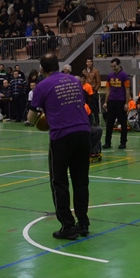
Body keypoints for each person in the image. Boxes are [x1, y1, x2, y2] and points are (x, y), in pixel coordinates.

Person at [28, 53, 91, 240]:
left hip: (62, 136)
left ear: (41, 68)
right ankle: (83, 223)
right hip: (84, 132)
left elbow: (31, 119)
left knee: (59, 182)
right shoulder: (74, 80)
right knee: (81, 181)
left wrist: (42, 120)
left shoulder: (42, 86)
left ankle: (68, 227)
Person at [103, 58, 132, 150]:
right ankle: (107, 142)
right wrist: (105, 102)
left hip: (121, 101)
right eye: (112, 66)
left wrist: (126, 103)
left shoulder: (124, 76)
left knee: (123, 122)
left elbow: (127, 89)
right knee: (109, 123)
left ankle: (123, 142)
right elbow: (108, 89)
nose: (113, 68)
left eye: (115, 66)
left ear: (119, 65)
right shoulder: (110, 75)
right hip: (112, 101)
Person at [81, 58, 101, 126]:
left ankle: (97, 121)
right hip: (85, 91)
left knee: (95, 107)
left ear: (92, 63)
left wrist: (95, 90)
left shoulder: (96, 71)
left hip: (93, 91)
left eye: (90, 62)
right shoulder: (84, 71)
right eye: (87, 62)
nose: (89, 63)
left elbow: (98, 82)